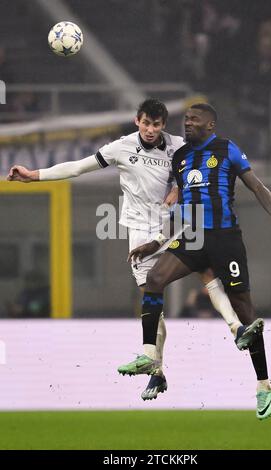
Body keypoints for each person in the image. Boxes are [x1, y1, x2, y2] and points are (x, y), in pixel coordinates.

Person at [7, 98, 258, 401]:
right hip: (139, 230)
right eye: (146, 123)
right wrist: (34, 175)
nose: (151, 130)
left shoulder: (177, 144)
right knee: (152, 299)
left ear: (163, 125)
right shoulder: (120, 148)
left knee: (205, 270)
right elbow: (77, 167)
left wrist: (179, 188)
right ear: (137, 121)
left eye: (156, 124)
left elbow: (198, 161)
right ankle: (157, 371)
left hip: (170, 223)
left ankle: (236, 329)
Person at [122, 103, 271, 420]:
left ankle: (263, 385)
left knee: (245, 310)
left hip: (226, 239)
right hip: (193, 236)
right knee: (154, 280)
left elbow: (256, 184)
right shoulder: (180, 158)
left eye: (194, 120)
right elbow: (178, 205)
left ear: (210, 125)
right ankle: (148, 357)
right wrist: (157, 242)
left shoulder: (227, 149)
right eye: (185, 119)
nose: (187, 123)